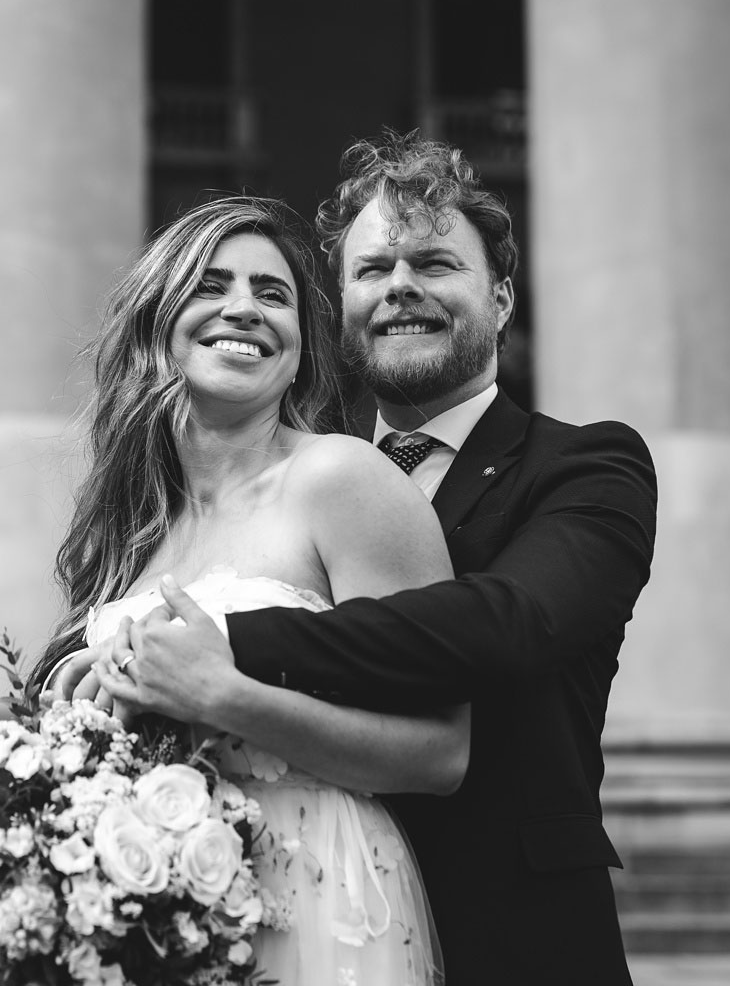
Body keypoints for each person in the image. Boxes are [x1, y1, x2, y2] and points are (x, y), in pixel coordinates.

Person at [63, 131, 658, 985]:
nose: (401, 288)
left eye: (435, 265)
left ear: (502, 296)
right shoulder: (276, 472)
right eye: (373, 270)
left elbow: (516, 622)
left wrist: (224, 650)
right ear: (336, 308)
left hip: (509, 930)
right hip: (245, 909)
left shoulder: (585, 464)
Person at [32, 194, 468, 984]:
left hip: (321, 905)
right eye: (212, 284)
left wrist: (221, 695)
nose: (245, 308)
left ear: (301, 349)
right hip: (157, 917)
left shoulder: (342, 480)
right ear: (157, 321)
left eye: (274, 295)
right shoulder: (131, 528)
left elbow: (440, 751)